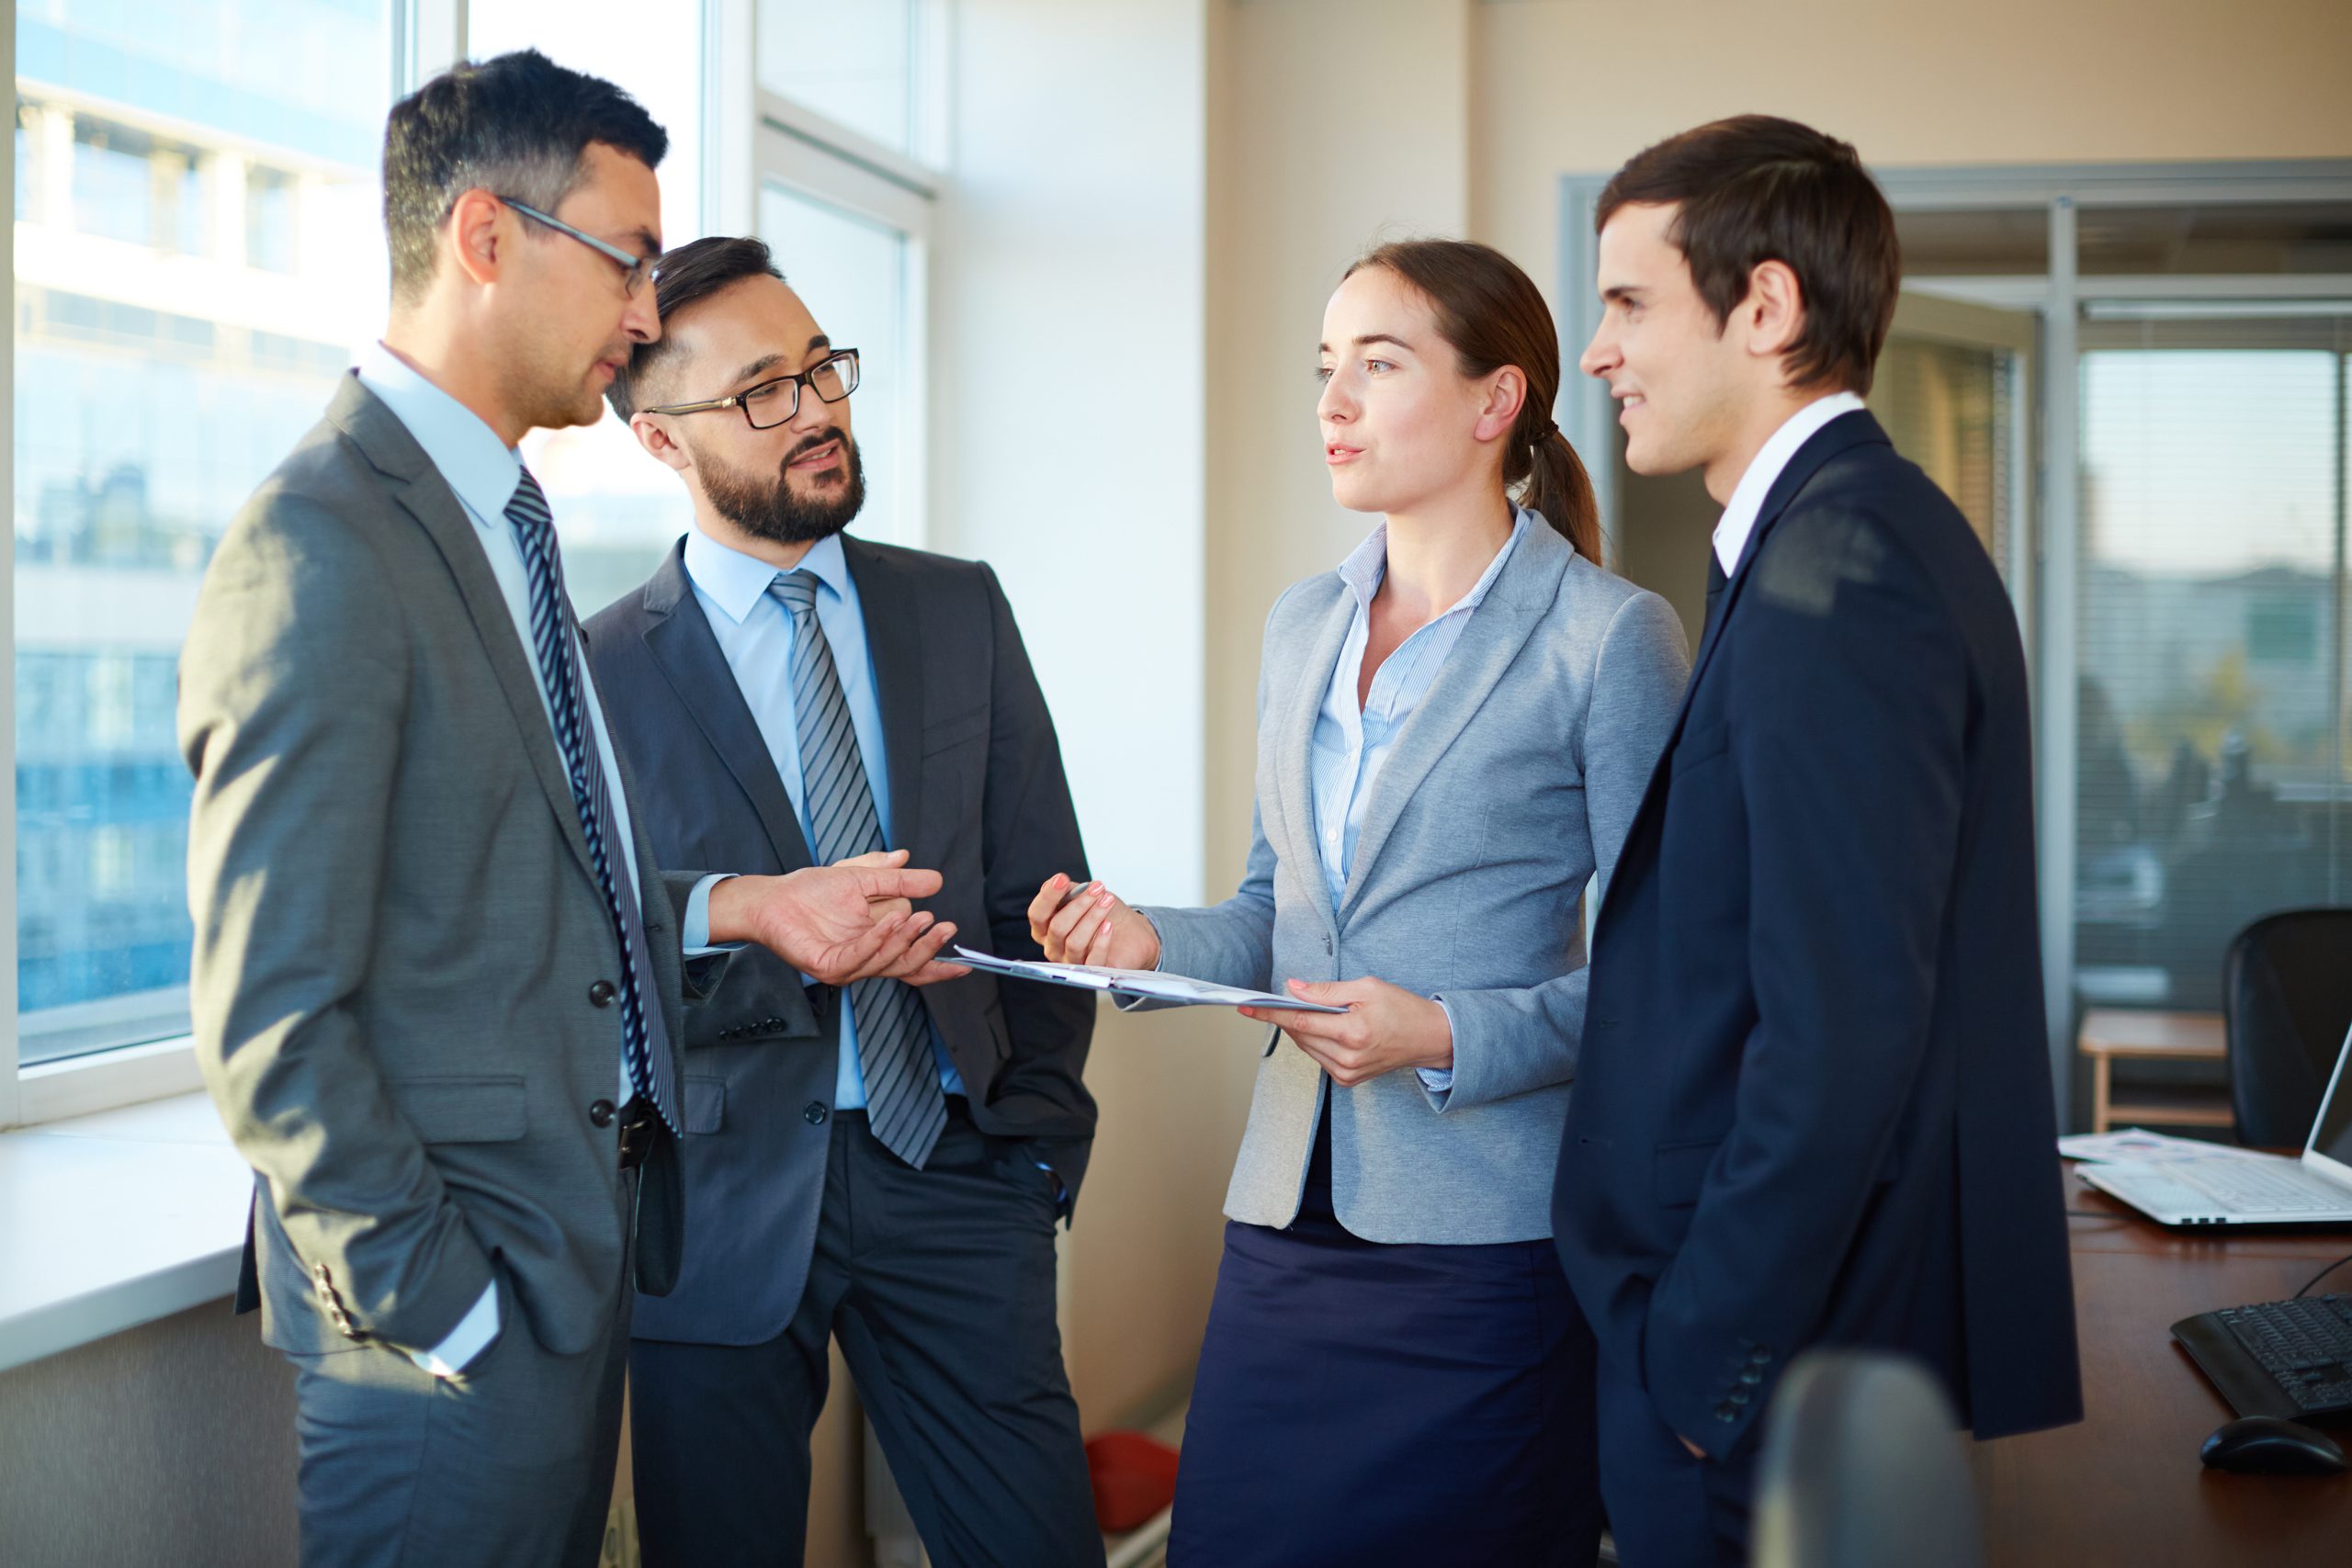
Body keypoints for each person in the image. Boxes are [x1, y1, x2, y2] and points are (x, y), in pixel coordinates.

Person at [178, 53, 952, 1568]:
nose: (649, 313)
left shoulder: (506, 527)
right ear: (483, 238)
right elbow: (270, 1021)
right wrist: (451, 1309)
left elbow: (541, 883)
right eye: (630, 260)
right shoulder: (323, 543)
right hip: (450, 1329)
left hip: (567, 1279)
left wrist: (736, 907)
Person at [1028, 239, 1688, 1566]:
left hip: (1486, 1248)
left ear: (1496, 401)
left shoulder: (1609, 638)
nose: (1332, 403)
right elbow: (1278, 911)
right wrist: (1149, 940)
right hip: (1286, 1220)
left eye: (1376, 367)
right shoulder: (1301, 625)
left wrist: (1439, 1033)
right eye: (1326, 368)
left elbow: (1663, 979)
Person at [1551, 115, 2083, 1565]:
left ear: (1767, 309)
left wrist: (1696, 1363)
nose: (1597, 352)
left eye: (1629, 302)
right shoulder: (1839, 541)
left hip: (1765, 1370)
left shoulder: (1842, 573)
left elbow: (1842, 1030)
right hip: (1788, 1350)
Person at [584, 236, 1102, 1568]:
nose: (816, 408)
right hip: (719, 1196)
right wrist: (746, 911)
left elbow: (1042, 883)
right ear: (660, 441)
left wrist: (1032, 1149)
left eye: (822, 367)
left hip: (959, 1170)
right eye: (764, 389)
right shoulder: (599, 672)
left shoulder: (958, 609)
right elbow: (586, 935)